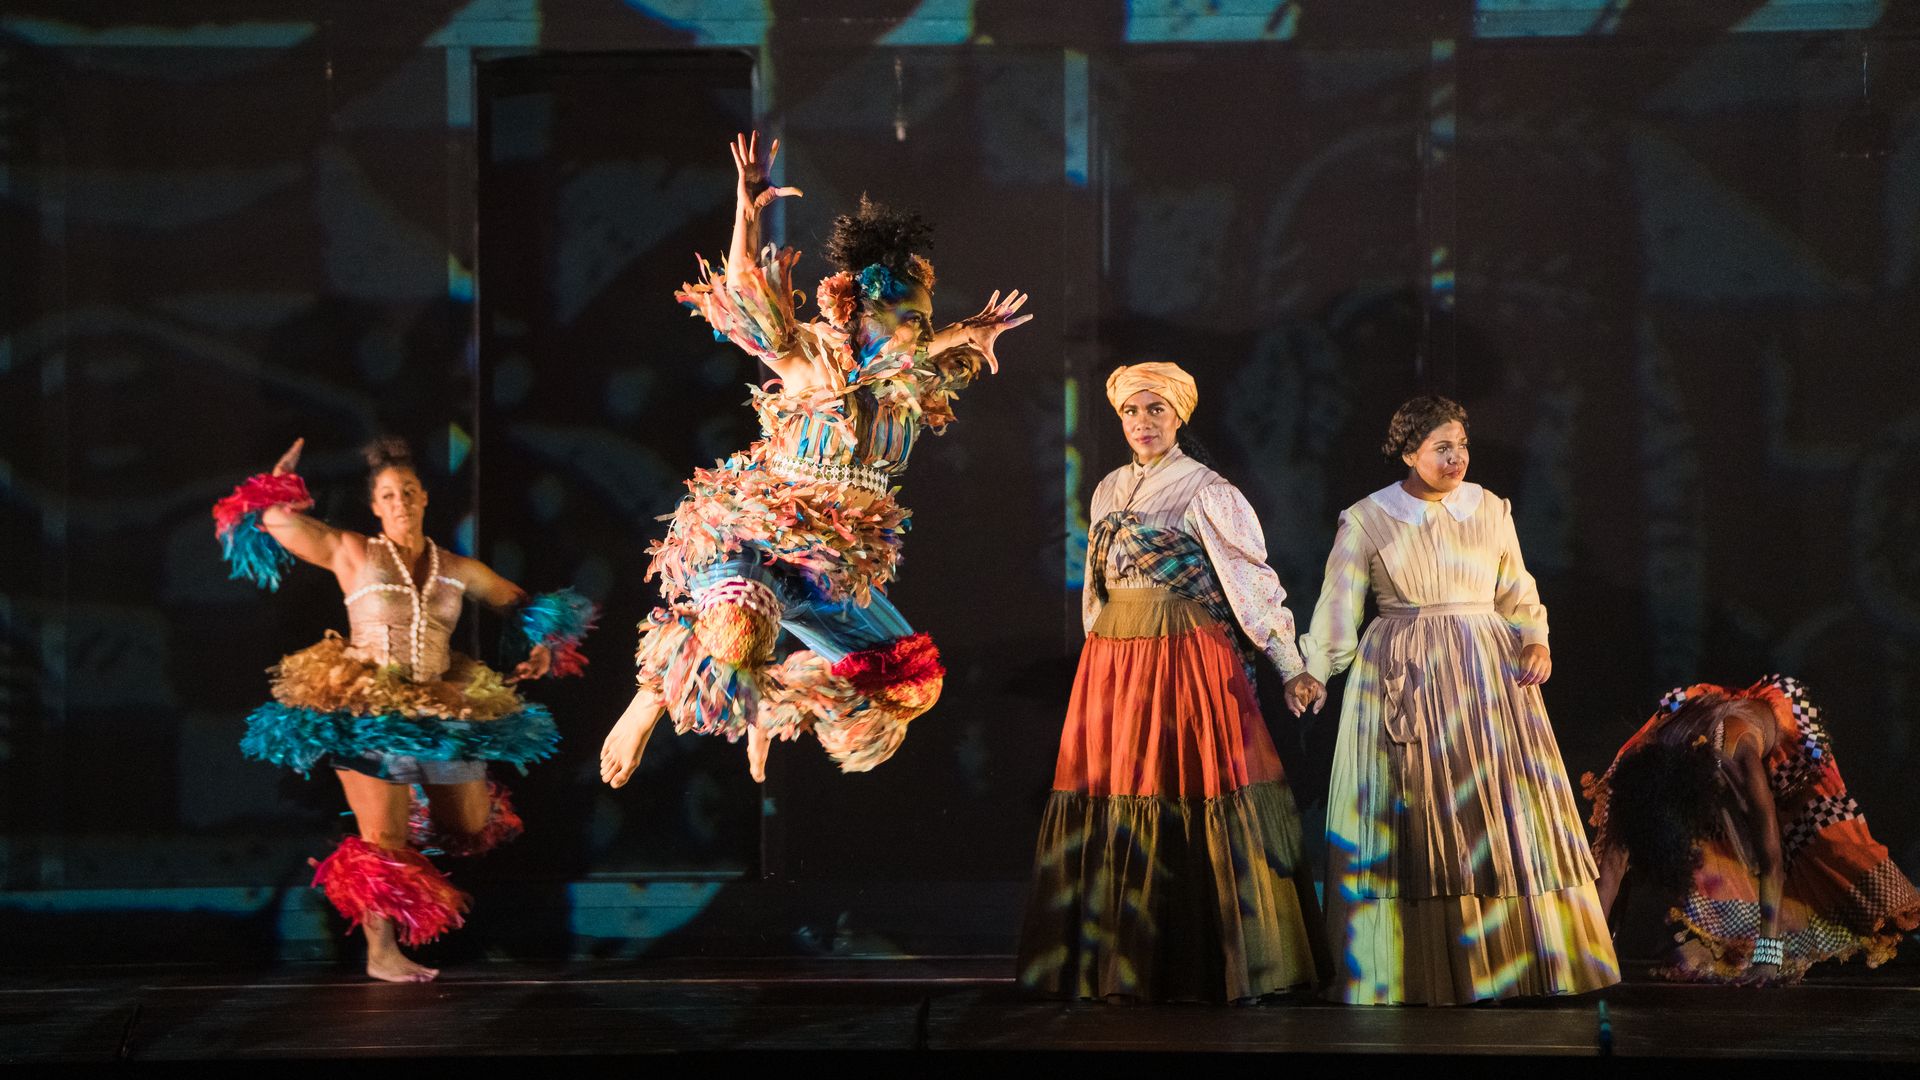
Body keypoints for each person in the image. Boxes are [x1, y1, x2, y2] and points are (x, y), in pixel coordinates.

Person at [598, 132, 1030, 787]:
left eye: (924, 319)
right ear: (860, 313)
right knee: (737, 641)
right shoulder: (809, 362)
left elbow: (925, 350)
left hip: (835, 566)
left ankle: (772, 707)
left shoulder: (909, 379)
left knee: (913, 687)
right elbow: (744, 291)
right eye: (908, 318)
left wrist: (970, 333)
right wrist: (746, 213)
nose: (919, 331)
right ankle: (649, 701)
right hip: (759, 540)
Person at [215, 436, 592, 982]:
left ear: (424, 500)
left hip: (438, 707)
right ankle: (381, 953)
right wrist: (278, 487)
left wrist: (538, 646)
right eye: (388, 495)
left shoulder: (457, 568)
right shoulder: (352, 551)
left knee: (470, 824)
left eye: (408, 492)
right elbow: (280, 524)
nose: (399, 503)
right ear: (375, 505)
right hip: (367, 708)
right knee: (382, 841)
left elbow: (517, 601)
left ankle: (413, 802)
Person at [1015, 362, 1324, 1003]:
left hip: (1186, 652)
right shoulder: (1105, 490)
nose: (1143, 422)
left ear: (1180, 416)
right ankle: (1118, 957)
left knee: (1190, 780)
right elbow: (1095, 591)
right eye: (1132, 411)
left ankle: (1216, 957)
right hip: (1117, 659)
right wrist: (1096, 663)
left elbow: (1251, 582)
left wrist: (1290, 666)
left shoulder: (1206, 490)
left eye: (1156, 410)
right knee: (1119, 786)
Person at [1296, 394, 1618, 1005]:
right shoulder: (1368, 518)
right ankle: (1414, 967)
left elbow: (1518, 591)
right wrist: (1315, 671)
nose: (1457, 458)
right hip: (1407, 670)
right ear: (1410, 452)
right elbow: (1339, 606)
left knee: (1497, 814)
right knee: (1419, 818)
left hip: (1486, 678)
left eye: (1462, 446)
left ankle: (1519, 963)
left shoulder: (1491, 509)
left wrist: (1536, 640)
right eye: (1442, 448)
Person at [1586, 675, 1920, 983]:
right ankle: (1600, 940)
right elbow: (1612, 866)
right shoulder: (1640, 765)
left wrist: (1768, 956)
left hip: (1777, 736)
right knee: (1625, 834)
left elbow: (1772, 861)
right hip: (1690, 736)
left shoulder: (1743, 760)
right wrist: (1587, 952)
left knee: (1830, 845)